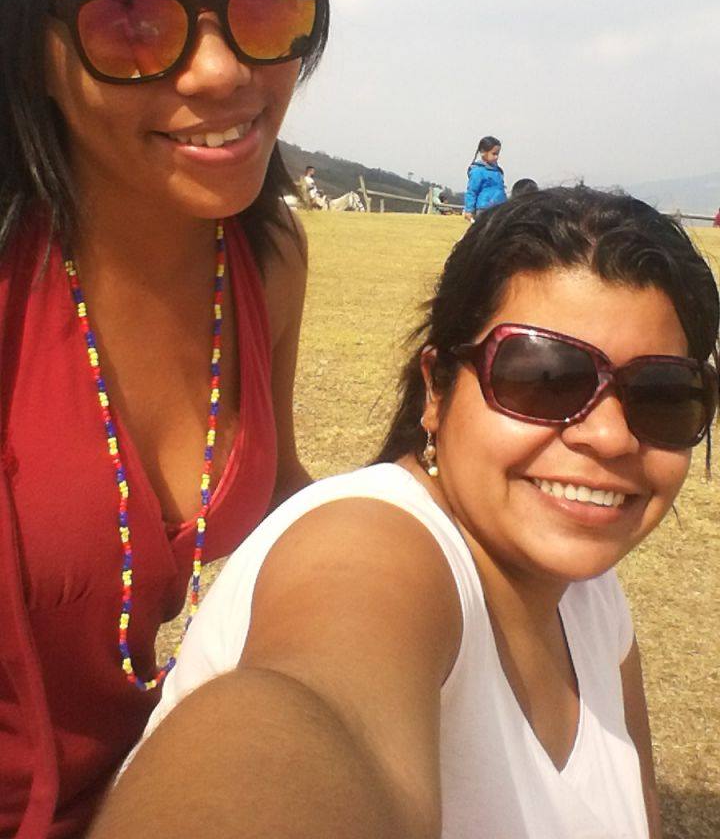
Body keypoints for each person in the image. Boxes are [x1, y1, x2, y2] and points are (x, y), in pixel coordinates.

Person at [92, 186, 718, 839]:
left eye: (663, 394)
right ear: (436, 389)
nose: (611, 438)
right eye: (544, 378)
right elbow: (313, 710)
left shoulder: (593, 598)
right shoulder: (372, 546)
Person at [0, 0, 330, 837]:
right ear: (27, 46)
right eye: (133, 21)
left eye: (263, 5)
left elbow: (280, 493)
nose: (223, 71)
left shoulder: (264, 261)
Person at [463, 134, 507, 220]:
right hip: (484, 209)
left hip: (500, 208)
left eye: (497, 154)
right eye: (493, 154)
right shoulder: (478, 171)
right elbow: (472, 191)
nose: (496, 157)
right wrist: (469, 210)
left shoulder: (498, 171)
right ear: (483, 152)